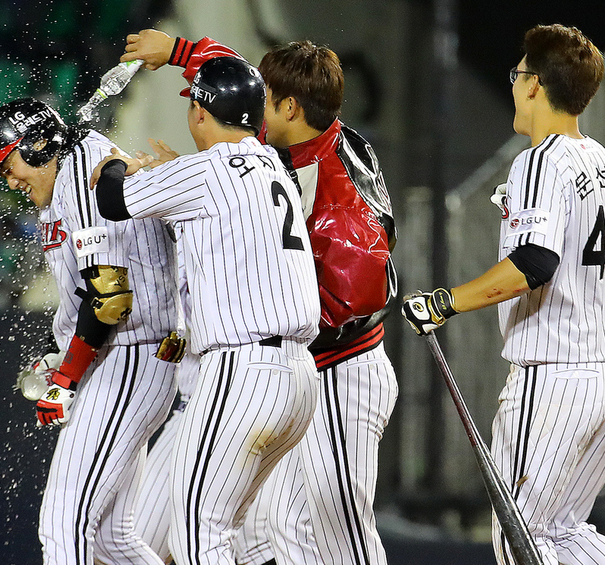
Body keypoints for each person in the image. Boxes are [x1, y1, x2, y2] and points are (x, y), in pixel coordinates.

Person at [122, 30, 399, 565]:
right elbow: (237, 88)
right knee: (273, 535)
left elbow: (364, 285)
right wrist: (182, 53)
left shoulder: (332, 175)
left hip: (340, 372)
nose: (251, 108)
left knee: (334, 538)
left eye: (264, 100)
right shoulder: (295, 149)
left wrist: (274, 311)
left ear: (290, 107)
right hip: (295, 373)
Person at [401, 24, 605, 565]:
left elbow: (533, 264)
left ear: (536, 84)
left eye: (518, 75)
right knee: (560, 532)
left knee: (520, 542)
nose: (514, 85)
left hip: (556, 380)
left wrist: (446, 302)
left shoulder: (540, 160)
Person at [93, 55, 322, 565]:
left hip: (243, 372)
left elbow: (112, 199)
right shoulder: (271, 166)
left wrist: (111, 161)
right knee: (232, 538)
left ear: (201, 111)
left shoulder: (209, 168)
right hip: (299, 379)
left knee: (199, 537)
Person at [0, 96, 181, 565]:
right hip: (130, 354)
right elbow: (88, 295)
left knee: (63, 521)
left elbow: (111, 300)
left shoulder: (86, 170)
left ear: (38, 145)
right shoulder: (65, 172)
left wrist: (67, 377)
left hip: (134, 352)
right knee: (111, 537)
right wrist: (59, 351)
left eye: (9, 165)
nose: (9, 180)